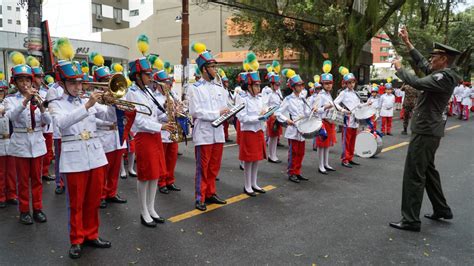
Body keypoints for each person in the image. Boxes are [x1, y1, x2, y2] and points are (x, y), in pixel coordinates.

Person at [389, 27, 461, 232]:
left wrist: (400, 69)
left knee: (414, 173)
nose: (430, 59)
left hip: (426, 130)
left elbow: (418, 82)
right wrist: (408, 43)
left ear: (444, 59)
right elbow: (422, 63)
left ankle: (411, 219)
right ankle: (442, 209)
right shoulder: (442, 74)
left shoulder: (443, 77)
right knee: (428, 172)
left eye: (434, 56)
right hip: (430, 130)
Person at [125, 35, 173, 226]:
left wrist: (168, 115)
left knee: (155, 174)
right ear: (137, 76)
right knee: (145, 176)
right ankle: (143, 211)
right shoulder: (132, 92)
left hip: (154, 136)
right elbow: (139, 120)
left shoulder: (149, 91)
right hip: (144, 137)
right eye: (146, 74)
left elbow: (153, 116)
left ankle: (152, 208)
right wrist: (161, 126)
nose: (150, 76)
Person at [4, 51, 51, 225]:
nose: (25, 84)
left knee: (37, 179)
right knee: (23, 180)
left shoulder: (40, 97)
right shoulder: (10, 100)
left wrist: (42, 108)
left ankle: (38, 208)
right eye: (21, 81)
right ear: (15, 83)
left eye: (27, 80)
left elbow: (48, 122)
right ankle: (24, 210)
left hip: (38, 142)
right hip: (21, 143)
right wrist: (25, 101)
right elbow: (11, 117)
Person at [189, 42, 229, 211]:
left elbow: (225, 107)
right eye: (213, 67)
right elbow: (196, 112)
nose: (216, 70)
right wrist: (217, 113)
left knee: (214, 166)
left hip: (217, 133)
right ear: (204, 69)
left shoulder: (219, 88)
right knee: (202, 168)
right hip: (204, 134)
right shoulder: (194, 88)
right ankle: (200, 196)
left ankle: (211, 193)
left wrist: (229, 112)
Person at [88, 54, 128, 209]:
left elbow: (117, 114)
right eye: (105, 81)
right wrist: (106, 122)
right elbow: (94, 118)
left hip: (116, 134)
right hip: (104, 134)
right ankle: (101, 195)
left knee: (115, 168)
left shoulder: (113, 96)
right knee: (103, 169)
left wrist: (115, 103)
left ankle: (112, 192)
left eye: (108, 80)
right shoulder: (92, 98)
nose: (108, 84)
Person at [236, 53, 267, 196]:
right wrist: (258, 117)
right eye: (256, 85)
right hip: (248, 131)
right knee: (248, 161)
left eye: (259, 85)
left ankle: (254, 183)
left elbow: (264, 108)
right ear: (248, 86)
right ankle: (247, 185)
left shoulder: (259, 97)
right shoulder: (242, 98)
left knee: (256, 159)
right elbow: (241, 117)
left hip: (259, 130)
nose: (258, 88)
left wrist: (265, 112)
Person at [276, 69, 312, 183]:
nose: (301, 87)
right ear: (293, 86)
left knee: (301, 152)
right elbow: (278, 113)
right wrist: (287, 120)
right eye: (299, 85)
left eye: (302, 84)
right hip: (293, 130)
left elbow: (306, 113)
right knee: (294, 153)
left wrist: (312, 111)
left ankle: (298, 172)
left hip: (302, 129)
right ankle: (292, 172)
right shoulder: (288, 99)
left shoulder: (302, 98)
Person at [153, 67, 182, 194]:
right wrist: (169, 114)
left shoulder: (172, 94)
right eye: (165, 83)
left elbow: (180, 108)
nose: (168, 85)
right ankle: (161, 182)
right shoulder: (154, 98)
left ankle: (170, 180)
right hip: (162, 131)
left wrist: (179, 110)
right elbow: (156, 116)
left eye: (168, 82)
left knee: (172, 158)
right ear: (158, 83)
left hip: (173, 130)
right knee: (162, 159)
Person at [26, 57, 55, 182]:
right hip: (33, 126)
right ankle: (33, 173)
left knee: (47, 150)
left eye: (42, 77)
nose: (41, 79)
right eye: (38, 77)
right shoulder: (25, 92)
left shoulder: (45, 92)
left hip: (45, 125)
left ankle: (44, 171)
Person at [334, 67, 361, 168]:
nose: (351, 84)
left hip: (355, 120)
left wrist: (367, 104)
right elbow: (335, 102)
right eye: (349, 83)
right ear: (346, 83)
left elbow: (359, 105)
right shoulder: (343, 93)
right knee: (346, 140)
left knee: (353, 140)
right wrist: (342, 110)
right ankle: (345, 159)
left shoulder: (356, 93)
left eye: (353, 82)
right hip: (347, 120)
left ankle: (350, 157)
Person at [314, 66, 337, 175]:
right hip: (322, 122)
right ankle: (321, 165)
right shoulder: (320, 95)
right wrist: (325, 108)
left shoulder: (328, 94)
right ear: (322, 84)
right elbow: (315, 110)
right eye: (326, 83)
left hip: (329, 122)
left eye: (330, 83)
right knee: (321, 144)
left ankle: (326, 163)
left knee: (327, 145)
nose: (328, 85)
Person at [0, 79, 18, 208]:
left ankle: (12, 194)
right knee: (1, 172)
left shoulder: (9, 103)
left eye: (2, 91)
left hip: (10, 140)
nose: (0, 93)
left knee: (12, 171)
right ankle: (1, 196)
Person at [264, 61, 283, 163]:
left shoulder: (276, 94)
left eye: (279, 84)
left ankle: (274, 154)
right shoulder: (269, 93)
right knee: (272, 137)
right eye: (276, 84)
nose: (278, 86)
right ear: (271, 84)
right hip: (272, 117)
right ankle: (271, 155)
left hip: (277, 116)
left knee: (276, 137)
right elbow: (265, 105)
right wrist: (270, 112)